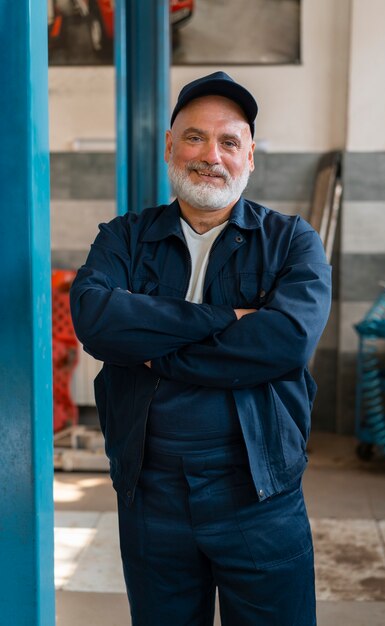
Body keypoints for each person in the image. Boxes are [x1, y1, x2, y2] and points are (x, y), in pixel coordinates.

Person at [70, 71, 332, 626]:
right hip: (151, 491)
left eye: (229, 141)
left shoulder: (291, 241)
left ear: (250, 156)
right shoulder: (124, 237)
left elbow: (285, 342)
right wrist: (225, 321)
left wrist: (153, 351)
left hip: (259, 491)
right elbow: (95, 319)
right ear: (170, 145)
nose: (210, 155)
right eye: (194, 137)